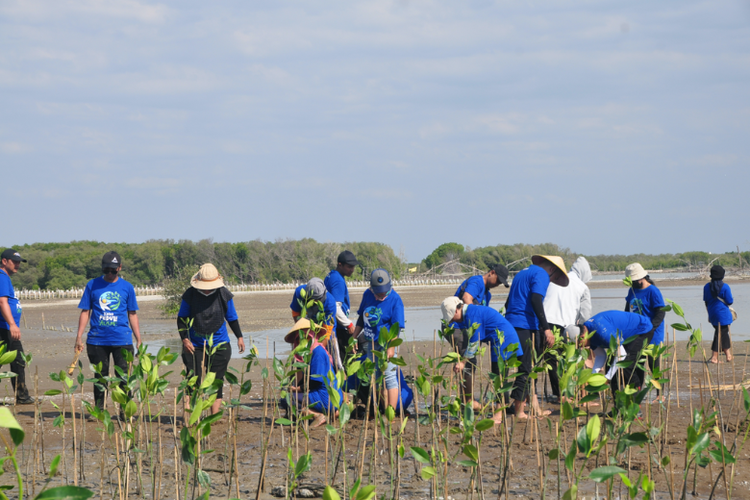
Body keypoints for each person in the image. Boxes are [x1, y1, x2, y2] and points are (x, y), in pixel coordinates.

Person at [75, 251, 141, 412]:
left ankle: (126, 410)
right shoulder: (92, 285)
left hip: (122, 340)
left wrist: (138, 339)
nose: (110, 274)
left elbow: (132, 313)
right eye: (107, 270)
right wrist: (78, 336)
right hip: (97, 340)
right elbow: (85, 312)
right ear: (102, 268)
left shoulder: (127, 287)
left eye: (114, 270)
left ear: (120, 267)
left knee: (124, 379)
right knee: (100, 378)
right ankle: (100, 410)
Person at [504, 255, 569, 419]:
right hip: (524, 325)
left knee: (529, 368)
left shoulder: (522, 273)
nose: (551, 281)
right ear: (553, 269)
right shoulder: (542, 274)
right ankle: (519, 411)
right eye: (553, 278)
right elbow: (535, 299)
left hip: (512, 324)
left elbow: (507, 303)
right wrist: (546, 329)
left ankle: (535, 408)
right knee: (526, 369)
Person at [441, 296, 522, 423]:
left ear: (456, 311)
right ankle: (500, 410)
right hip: (500, 340)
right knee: (498, 376)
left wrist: (462, 363)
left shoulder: (472, 315)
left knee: (499, 377)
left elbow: (474, 344)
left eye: (451, 317)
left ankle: (499, 415)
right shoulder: (469, 313)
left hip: (504, 340)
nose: (451, 321)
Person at [177, 263, 245, 415]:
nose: (207, 289)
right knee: (193, 379)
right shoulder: (190, 294)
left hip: (219, 343)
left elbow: (232, 318)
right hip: (195, 344)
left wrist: (239, 337)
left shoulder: (223, 294)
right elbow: (181, 318)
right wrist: (185, 339)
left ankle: (214, 417)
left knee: (216, 380)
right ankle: (189, 416)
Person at [352, 269, 404, 411]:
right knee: (375, 377)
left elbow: (396, 326)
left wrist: (391, 347)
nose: (382, 295)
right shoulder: (367, 295)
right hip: (371, 343)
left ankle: (391, 415)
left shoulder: (395, 299)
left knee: (390, 378)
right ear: (372, 289)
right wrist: (354, 337)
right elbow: (361, 318)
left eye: (384, 292)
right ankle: (383, 408)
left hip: (387, 342)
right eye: (379, 292)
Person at [543, 256, 593, 401]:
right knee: (568, 360)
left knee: (550, 360)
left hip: (544, 323)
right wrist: (584, 332)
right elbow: (585, 316)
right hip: (565, 326)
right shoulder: (582, 287)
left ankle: (558, 394)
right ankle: (569, 393)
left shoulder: (556, 279)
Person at [576, 310, 654, 393]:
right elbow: (600, 355)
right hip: (624, 336)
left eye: (579, 344)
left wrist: (608, 377)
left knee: (627, 364)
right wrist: (593, 375)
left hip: (641, 329)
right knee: (611, 367)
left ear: (582, 336)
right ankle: (617, 401)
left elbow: (622, 354)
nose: (580, 347)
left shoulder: (602, 331)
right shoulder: (588, 332)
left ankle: (635, 397)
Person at [284, 318, 342, 427]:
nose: (299, 343)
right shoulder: (310, 353)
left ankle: (317, 415)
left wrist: (296, 389)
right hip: (329, 396)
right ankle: (333, 413)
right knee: (292, 397)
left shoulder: (317, 352)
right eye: (298, 340)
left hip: (327, 397)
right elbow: (301, 379)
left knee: (288, 398)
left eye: (303, 338)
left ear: (310, 337)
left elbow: (316, 382)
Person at [624, 263, 666, 400]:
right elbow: (627, 311)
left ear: (641, 279)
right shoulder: (632, 290)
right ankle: (638, 393)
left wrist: (651, 329)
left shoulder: (653, 291)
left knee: (654, 364)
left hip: (653, 333)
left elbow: (660, 313)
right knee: (638, 363)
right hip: (637, 334)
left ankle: (660, 395)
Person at [0, 249, 33, 404]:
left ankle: (22, 395)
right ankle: (22, 396)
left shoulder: (5, 278)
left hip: (6, 327)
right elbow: (2, 302)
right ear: (4, 261)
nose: (18, 264)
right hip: (4, 328)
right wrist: (12, 324)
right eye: (15, 261)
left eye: (19, 262)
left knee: (18, 361)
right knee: (18, 360)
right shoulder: (2, 277)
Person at [325, 250, 360, 361]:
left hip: (331, 325)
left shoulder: (331, 275)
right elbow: (335, 307)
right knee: (347, 360)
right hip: (338, 327)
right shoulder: (338, 281)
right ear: (340, 264)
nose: (352, 270)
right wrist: (348, 324)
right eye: (349, 267)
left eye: (353, 267)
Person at [704, 265, 734, 364]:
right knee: (720, 334)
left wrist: (709, 314)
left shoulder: (706, 287)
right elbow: (729, 301)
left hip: (712, 314)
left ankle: (728, 355)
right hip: (723, 315)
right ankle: (715, 357)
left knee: (722, 333)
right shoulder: (725, 287)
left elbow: (706, 302)